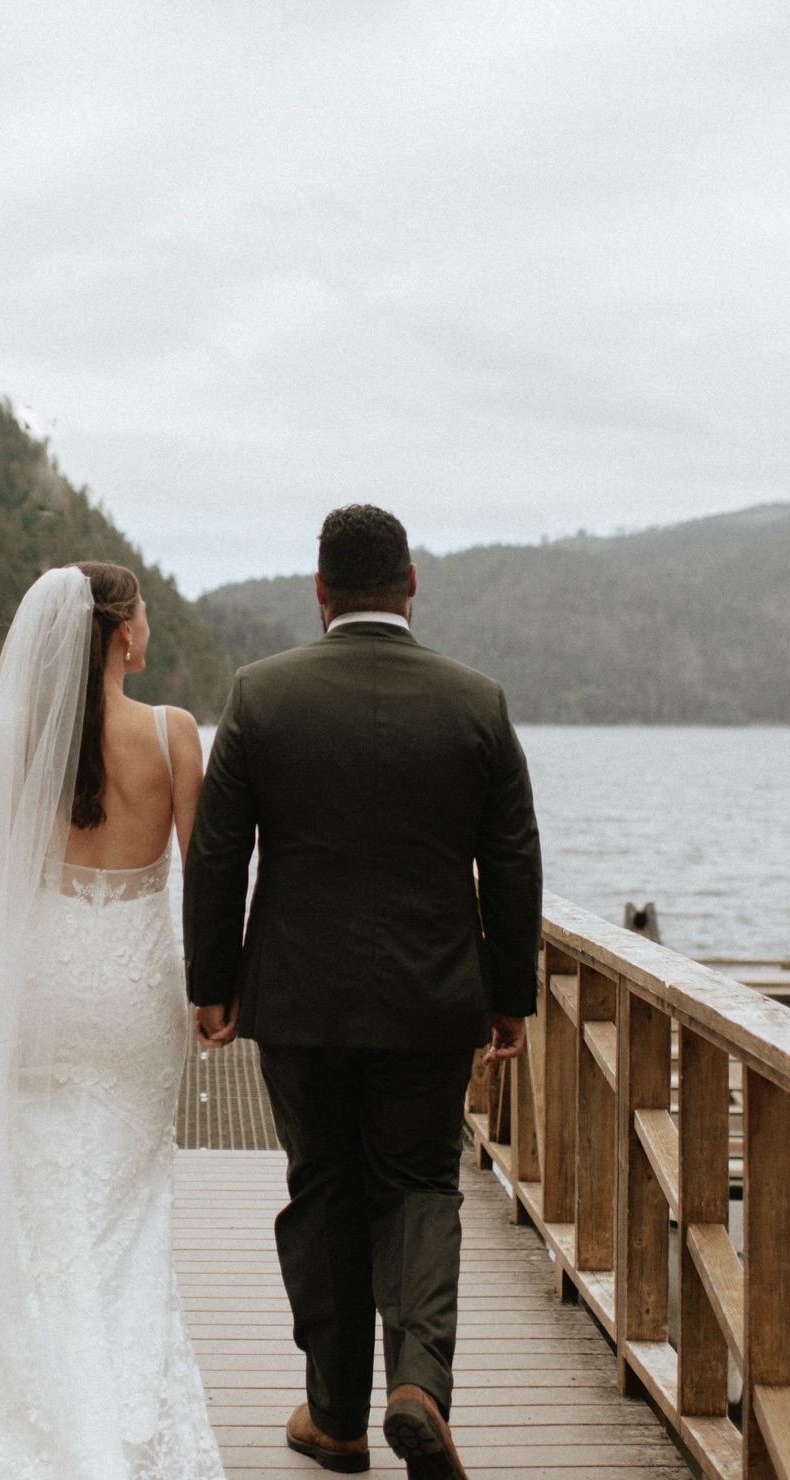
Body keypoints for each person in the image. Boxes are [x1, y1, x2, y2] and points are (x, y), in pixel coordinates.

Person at [183, 505, 543, 1480]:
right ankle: (419, 1382)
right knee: (421, 1184)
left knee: (326, 1187)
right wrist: (512, 994)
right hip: (434, 999)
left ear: (320, 590)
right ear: (412, 582)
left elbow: (218, 857)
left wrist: (211, 984)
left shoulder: (261, 698)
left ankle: (337, 1418)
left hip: (298, 999)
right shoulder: (477, 703)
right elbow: (512, 863)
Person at [0, 561, 224, 1480]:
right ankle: (116, 1409)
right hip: (129, 991)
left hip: (44, 980)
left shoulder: (18, 738)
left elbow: (1, 878)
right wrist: (217, 990)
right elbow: (206, 879)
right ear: (122, 633)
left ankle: (32, 1394)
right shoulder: (172, 734)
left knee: (45, 1188)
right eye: (145, 610)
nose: (150, 622)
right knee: (125, 1192)